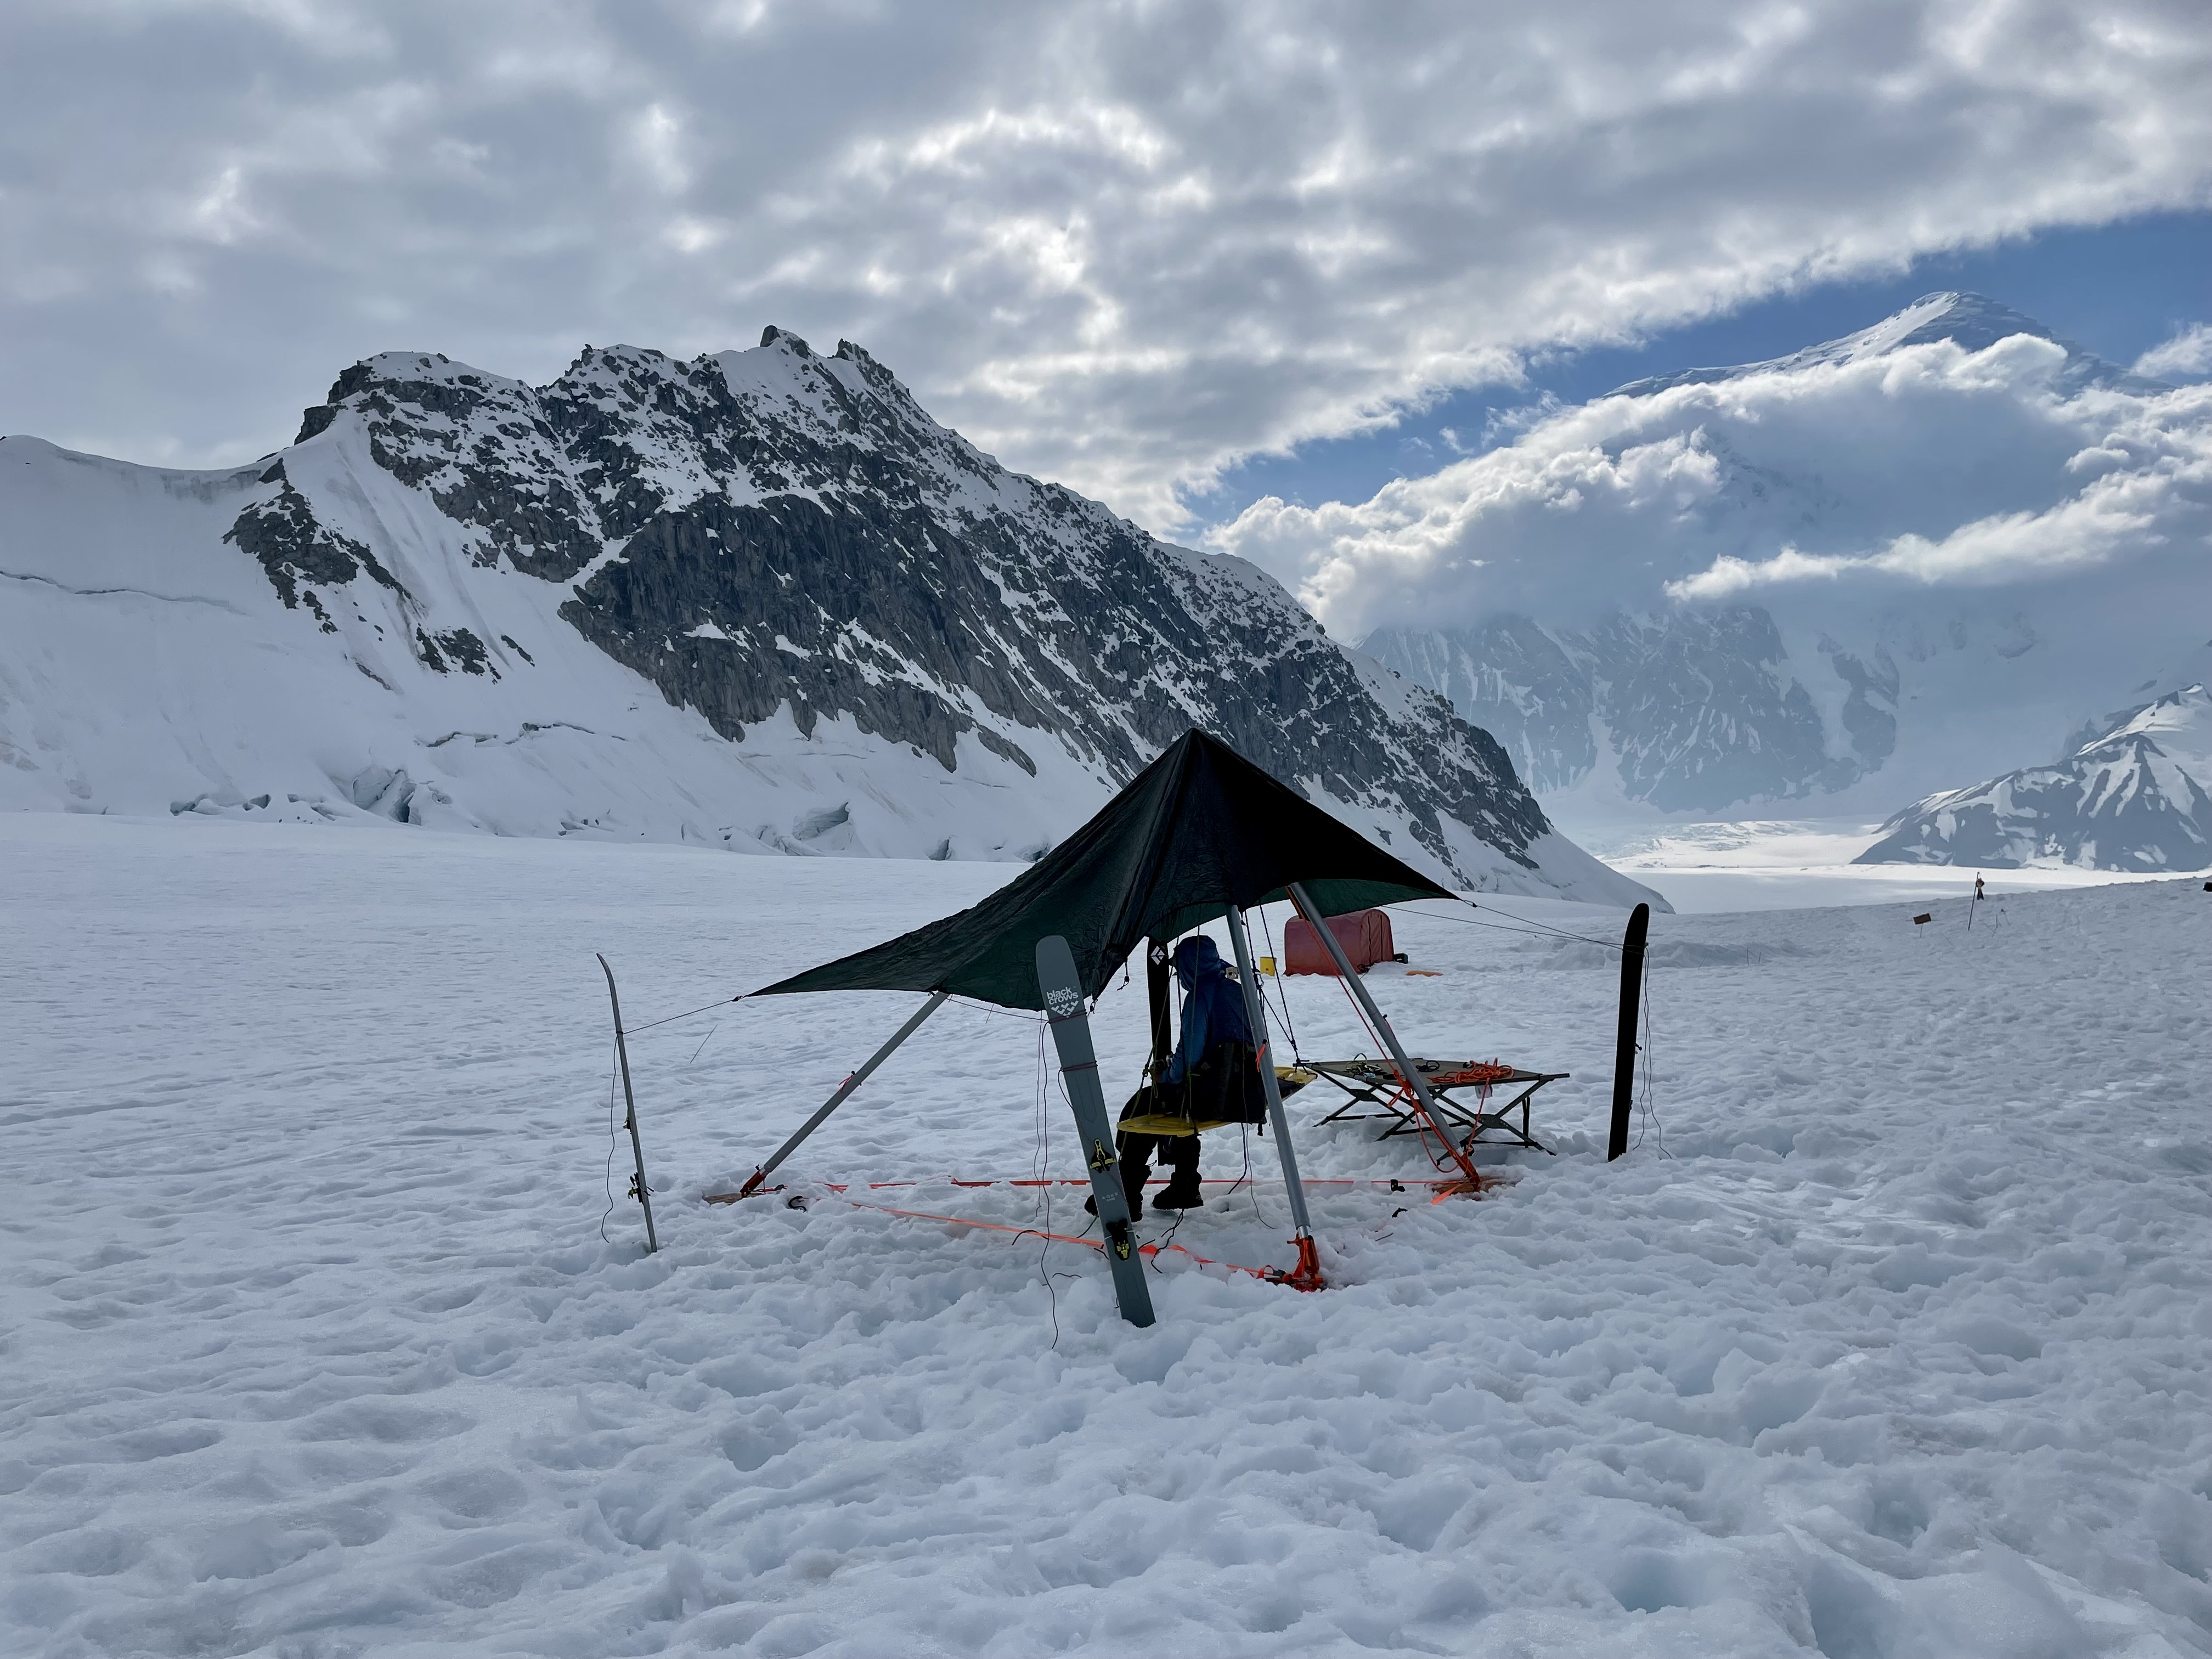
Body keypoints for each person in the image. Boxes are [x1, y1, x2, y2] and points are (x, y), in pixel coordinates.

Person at [1088, 935, 1267, 1216]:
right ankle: (1185, 1185)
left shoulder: (1199, 996)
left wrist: (1166, 1075)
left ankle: (1126, 1194)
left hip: (1215, 1094)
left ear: (1186, 965)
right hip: (1246, 1089)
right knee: (1177, 1107)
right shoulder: (1237, 989)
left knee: (1142, 1108)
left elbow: (1189, 1057)